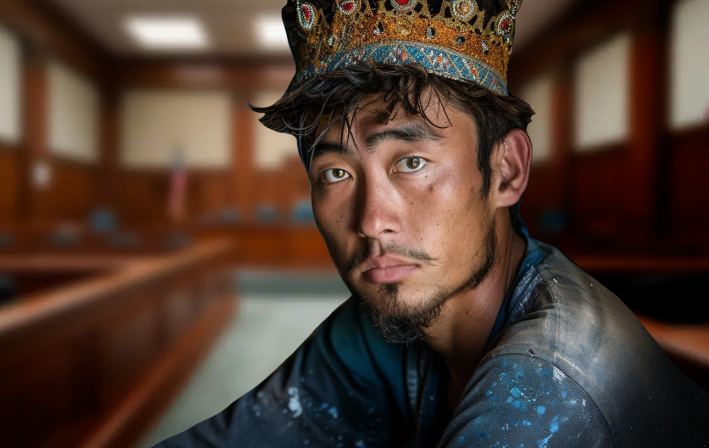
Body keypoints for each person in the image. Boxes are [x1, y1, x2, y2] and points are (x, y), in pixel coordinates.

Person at [155, 0, 709, 446]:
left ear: (507, 171)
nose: (372, 221)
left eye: (412, 162)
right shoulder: (390, 321)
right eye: (336, 173)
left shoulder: (549, 386)